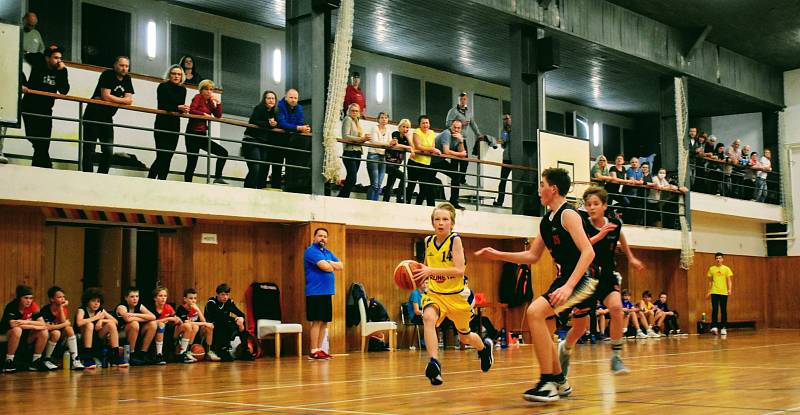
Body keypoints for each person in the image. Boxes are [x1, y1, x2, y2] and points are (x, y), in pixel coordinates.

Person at [476, 167, 596, 402]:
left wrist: (569, 286)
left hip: (580, 280)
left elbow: (588, 251)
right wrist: (498, 254)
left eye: (542, 184)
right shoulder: (546, 221)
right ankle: (560, 381)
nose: (539, 189)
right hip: (564, 280)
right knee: (544, 327)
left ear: (553, 189)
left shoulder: (568, 215)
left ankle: (547, 382)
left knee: (534, 312)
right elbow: (532, 256)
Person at [558, 186, 644, 377]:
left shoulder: (614, 223)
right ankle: (565, 348)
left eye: (596, 204)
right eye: (588, 204)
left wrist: (630, 257)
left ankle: (616, 356)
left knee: (616, 308)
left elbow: (620, 235)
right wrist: (601, 234)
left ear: (605, 206)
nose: (592, 207)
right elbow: (583, 247)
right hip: (587, 277)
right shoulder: (583, 225)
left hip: (607, 275)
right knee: (580, 327)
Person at [410, 203, 493, 385]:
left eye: (445, 219)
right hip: (436, 294)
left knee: (464, 336)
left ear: (452, 223)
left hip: (457, 296)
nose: (441, 223)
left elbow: (459, 270)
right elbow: (425, 267)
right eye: (437, 219)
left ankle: (483, 348)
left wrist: (430, 271)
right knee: (428, 318)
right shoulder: (428, 241)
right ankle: (434, 363)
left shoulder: (455, 240)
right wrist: (416, 276)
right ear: (432, 222)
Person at [81, 56, 134, 173]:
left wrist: (110, 99)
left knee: (108, 151)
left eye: (126, 66)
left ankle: (102, 176)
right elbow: (105, 95)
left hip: (107, 117)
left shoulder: (127, 79)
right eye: (121, 65)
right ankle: (87, 176)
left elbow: (129, 100)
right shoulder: (107, 74)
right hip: (93, 115)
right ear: (115, 65)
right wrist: (120, 100)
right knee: (89, 149)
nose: (124, 68)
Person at [21, 45, 69, 168]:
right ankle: (45, 166)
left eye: (60, 58)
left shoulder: (61, 70)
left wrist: (62, 72)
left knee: (43, 142)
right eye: (56, 57)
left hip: (46, 110)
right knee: (34, 138)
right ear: (47, 58)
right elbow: (23, 55)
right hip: (29, 106)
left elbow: (64, 91)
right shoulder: (38, 60)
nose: (59, 60)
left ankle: (41, 167)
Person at [304, 228, 343, 360]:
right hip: (315, 292)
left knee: (324, 321)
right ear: (314, 237)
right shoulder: (311, 251)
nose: (323, 238)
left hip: (327, 292)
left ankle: (320, 349)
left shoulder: (327, 253)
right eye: (320, 236)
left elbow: (341, 265)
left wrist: (330, 263)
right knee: (317, 321)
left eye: (325, 236)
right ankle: (313, 350)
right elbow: (324, 267)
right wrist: (331, 266)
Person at [148, 65, 189, 180]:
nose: (176, 76)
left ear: (182, 77)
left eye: (179, 74)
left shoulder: (183, 89)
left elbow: (178, 107)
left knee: (169, 155)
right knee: (161, 155)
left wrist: (182, 109)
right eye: (174, 74)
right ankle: (150, 179)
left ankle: (162, 180)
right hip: (162, 123)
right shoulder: (163, 86)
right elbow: (163, 104)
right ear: (169, 75)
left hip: (174, 124)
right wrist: (178, 107)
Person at [184, 79, 227, 184]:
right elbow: (192, 110)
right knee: (192, 162)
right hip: (192, 133)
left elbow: (218, 115)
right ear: (201, 90)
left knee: (223, 152)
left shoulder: (210, 102)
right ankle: (187, 184)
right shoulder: (198, 97)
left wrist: (218, 103)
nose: (209, 92)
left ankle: (218, 177)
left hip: (202, 134)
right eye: (206, 89)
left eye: (211, 89)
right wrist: (203, 115)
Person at [1, 285, 51, 372]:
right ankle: (9, 361)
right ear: (19, 298)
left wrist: (26, 322)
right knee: (17, 330)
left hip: (27, 336)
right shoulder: (12, 306)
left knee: (44, 331)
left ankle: (35, 361)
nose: (29, 301)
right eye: (26, 298)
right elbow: (14, 324)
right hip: (10, 335)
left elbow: (43, 324)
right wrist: (34, 325)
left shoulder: (33, 306)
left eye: (31, 298)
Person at [76, 287, 126, 369]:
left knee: (111, 324)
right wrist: (96, 318)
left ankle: (116, 356)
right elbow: (79, 322)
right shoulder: (81, 310)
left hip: (97, 337)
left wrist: (102, 320)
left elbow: (116, 321)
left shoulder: (100, 310)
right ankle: (87, 357)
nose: (96, 304)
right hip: (83, 339)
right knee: (89, 325)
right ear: (87, 301)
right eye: (93, 301)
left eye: (98, 301)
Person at [39, 286, 83, 370]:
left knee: (69, 329)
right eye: (59, 297)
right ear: (52, 299)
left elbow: (64, 323)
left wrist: (61, 308)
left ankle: (75, 360)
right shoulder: (45, 310)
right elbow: (47, 327)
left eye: (64, 297)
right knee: (56, 333)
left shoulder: (63, 308)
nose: (63, 299)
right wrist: (64, 324)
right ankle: (46, 359)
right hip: (47, 337)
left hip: (61, 338)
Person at [204, 283, 252, 361]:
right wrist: (235, 320)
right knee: (226, 323)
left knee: (240, 323)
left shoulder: (229, 302)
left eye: (227, 294)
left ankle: (245, 350)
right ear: (217, 294)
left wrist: (241, 319)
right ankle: (222, 349)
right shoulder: (211, 303)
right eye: (223, 295)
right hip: (211, 325)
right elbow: (218, 318)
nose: (225, 297)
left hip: (225, 323)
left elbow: (241, 314)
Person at [243, 90, 279, 189]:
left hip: (264, 143)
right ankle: (248, 188)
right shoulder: (259, 108)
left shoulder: (274, 112)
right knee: (255, 167)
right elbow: (254, 121)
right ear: (264, 100)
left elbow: (277, 123)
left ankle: (255, 189)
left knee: (262, 169)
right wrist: (269, 124)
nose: (271, 100)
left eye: (273, 98)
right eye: (269, 98)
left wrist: (274, 124)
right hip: (252, 140)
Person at [276, 89, 311, 190]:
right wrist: (298, 128)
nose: (293, 100)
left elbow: (300, 121)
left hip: (292, 141)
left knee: (292, 164)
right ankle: (276, 187)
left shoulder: (299, 108)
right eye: (291, 97)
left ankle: (290, 187)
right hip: (279, 140)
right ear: (286, 97)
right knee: (277, 165)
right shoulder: (280, 106)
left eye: (295, 98)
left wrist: (304, 128)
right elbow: (282, 123)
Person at [176, 288, 221, 361]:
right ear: (185, 299)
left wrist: (198, 310)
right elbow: (187, 323)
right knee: (195, 326)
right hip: (183, 335)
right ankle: (187, 351)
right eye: (190, 298)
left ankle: (208, 351)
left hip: (196, 335)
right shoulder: (181, 309)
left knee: (209, 327)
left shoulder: (195, 308)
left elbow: (204, 321)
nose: (193, 300)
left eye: (195, 298)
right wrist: (204, 323)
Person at [115, 287, 157, 366]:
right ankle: (131, 354)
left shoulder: (139, 305)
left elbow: (153, 317)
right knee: (134, 324)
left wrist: (133, 314)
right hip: (120, 332)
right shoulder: (121, 307)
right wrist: (143, 317)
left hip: (136, 331)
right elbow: (127, 319)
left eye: (137, 296)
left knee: (153, 324)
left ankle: (143, 354)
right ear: (126, 298)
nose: (135, 299)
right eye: (132, 297)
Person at [405, 115, 441, 206]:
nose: (425, 125)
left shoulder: (432, 133)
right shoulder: (416, 132)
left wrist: (428, 149)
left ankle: (418, 204)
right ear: (420, 124)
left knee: (424, 187)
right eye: (423, 123)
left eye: (427, 123)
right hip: (414, 162)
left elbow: (432, 146)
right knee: (411, 185)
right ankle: (406, 203)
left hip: (425, 164)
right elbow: (418, 146)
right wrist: (431, 150)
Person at [151, 287, 192, 364]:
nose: (163, 298)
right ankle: (159, 355)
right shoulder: (151, 308)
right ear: (155, 298)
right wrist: (168, 319)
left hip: (170, 332)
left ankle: (182, 353)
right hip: (156, 332)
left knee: (187, 326)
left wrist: (178, 320)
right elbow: (151, 322)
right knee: (161, 325)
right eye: (160, 296)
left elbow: (176, 318)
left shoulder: (168, 307)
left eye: (165, 296)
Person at [433, 119, 468, 209]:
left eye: (458, 128)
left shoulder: (459, 136)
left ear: (461, 129)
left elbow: (463, 153)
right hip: (431, 161)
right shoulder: (446, 133)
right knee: (427, 182)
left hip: (439, 161)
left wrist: (461, 141)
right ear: (451, 126)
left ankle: (454, 202)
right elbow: (446, 151)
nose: (456, 130)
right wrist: (460, 154)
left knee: (456, 176)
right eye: (454, 127)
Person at [338, 103, 370, 198]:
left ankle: (343, 196)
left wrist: (363, 139)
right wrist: (362, 139)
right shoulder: (347, 119)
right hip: (349, 151)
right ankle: (342, 197)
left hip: (357, 152)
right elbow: (346, 136)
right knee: (352, 178)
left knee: (351, 178)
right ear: (349, 111)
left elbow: (358, 137)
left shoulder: (357, 121)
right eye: (353, 110)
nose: (355, 112)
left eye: (356, 111)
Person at [445, 92, 484, 159]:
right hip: (454, 139)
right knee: (455, 161)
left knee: (465, 161)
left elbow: (473, 124)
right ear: (458, 100)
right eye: (461, 99)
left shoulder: (468, 112)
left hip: (463, 139)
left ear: (467, 100)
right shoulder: (453, 111)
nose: (463, 101)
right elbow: (447, 124)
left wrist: (479, 135)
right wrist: (461, 123)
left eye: (464, 99)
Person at [383, 118, 413, 203]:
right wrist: (408, 147)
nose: (405, 129)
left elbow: (413, 147)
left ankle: (386, 200)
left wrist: (408, 138)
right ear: (399, 127)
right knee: (403, 176)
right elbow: (396, 145)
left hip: (397, 164)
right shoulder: (395, 133)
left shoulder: (406, 138)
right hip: (388, 163)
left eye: (407, 127)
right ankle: (399, 198)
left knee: (390, 184)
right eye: (403, 127)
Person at [366, 112, 391, 201]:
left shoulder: (388, 130)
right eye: (382, 117)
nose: (384, 119)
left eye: (386, 118)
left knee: (379, 184)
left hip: (383, 156)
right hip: (373, 155)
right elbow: (375, 142)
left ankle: (375, 203)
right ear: (378, 119)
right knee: (374, 183)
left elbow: (390, 142)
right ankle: (370, 203)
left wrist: (390, 143)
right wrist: (387, 144)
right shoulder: (374, 128)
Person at [706, 252, 733, 336]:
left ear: (722, 259)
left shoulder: (726, 269)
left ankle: (723, 328)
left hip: (724, 292)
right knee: (715, 309)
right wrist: (709, 291)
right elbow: (710, 281)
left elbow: (729, 280)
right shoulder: (712, 269)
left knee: (723, 310)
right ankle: (714, 326)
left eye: (720, 258)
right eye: (717, 258)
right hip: (714, 292)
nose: (718, 259)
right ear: (715, 259)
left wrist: (729, 289)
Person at [494, 113, 513, 207]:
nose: (505, 120)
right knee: (502, 181)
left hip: (516, 158)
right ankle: (500, 201)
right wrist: (505, 136)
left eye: (506, 118)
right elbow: (503, 144)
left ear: (511, 119)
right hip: (506, 158)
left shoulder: (516, 129)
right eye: (503, 119)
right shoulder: (504, 130)